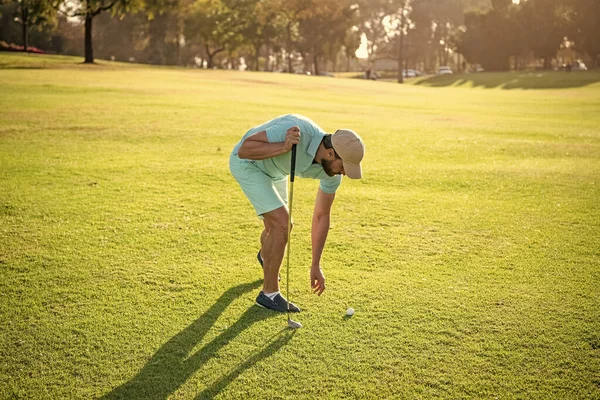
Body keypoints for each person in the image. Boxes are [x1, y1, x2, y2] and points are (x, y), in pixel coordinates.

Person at [229, 114, 365, 312]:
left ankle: (265, 257)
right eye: (343, 167)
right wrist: (283, 147)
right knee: (282, 225)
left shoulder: (332, 175)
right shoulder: (296, 128)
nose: (344, 173)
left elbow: (321, 216)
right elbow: (244, 150)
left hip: (276, 172)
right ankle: (269, 294)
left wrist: (315, 264)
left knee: (274, 229)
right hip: (250, 165)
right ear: (330, 153)